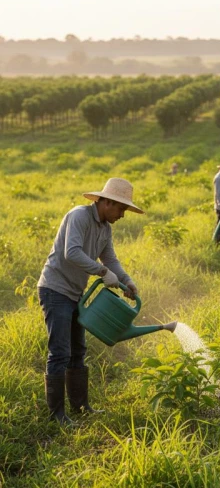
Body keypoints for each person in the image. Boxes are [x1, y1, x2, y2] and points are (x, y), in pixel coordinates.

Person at [38, 178, 144, 425]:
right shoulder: (79, 216)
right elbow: (72, 252)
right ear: (106, 202)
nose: (122, 215)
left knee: (78, 350)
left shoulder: (105, 229)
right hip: (55, 289)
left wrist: (126, 281)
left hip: (76, 293)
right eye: (121, 209)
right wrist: (102, 272)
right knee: (60, 352)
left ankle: (80, 407)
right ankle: (56, 415)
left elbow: (110, 260)